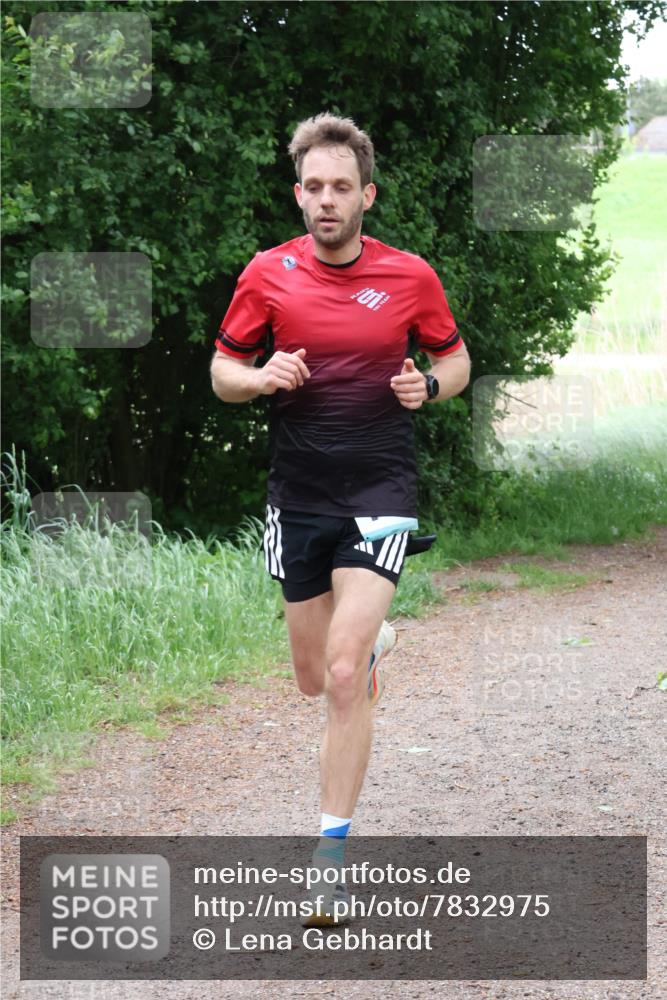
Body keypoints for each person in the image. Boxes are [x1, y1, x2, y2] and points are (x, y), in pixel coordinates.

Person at [210, 112, 470, 925]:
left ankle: (329, 860)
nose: (326, 201)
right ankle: (371, 642)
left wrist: (426, 388)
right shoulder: (267, 274)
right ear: (299, 194)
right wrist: (260, 379)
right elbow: (222, 370)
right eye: (313, 188)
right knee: (310, 676)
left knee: (345, 673)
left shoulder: (409, 277)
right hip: (299, 498)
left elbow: (454, 359)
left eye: (340, 188)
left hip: (379, 493)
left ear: (366, 194)